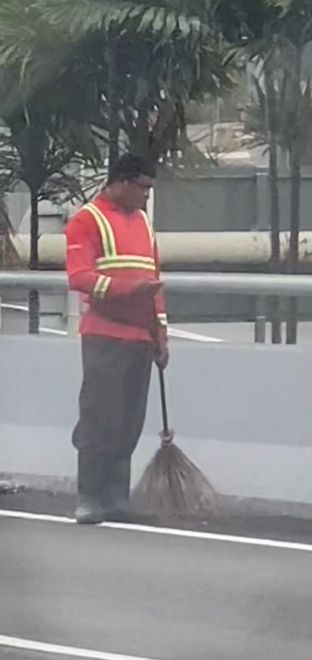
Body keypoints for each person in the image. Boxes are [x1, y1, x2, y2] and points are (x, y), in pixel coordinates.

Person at [65, 154, 169, 525]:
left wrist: (161, 330)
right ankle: (90, 496)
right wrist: (126, 291)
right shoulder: (87, 220)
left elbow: (153, 280)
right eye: (142, 187)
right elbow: (78, 277)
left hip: (140, 336)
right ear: (122, 183)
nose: (146, 195)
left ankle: (115, 497)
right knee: (99, 418)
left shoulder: (144, 223)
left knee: (129, 420)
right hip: (104, 336)